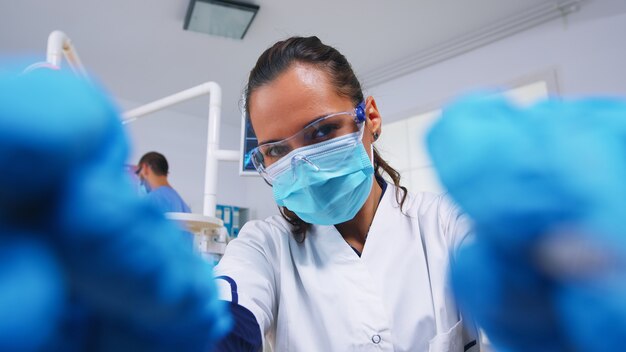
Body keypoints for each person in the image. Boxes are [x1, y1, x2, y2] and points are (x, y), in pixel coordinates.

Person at [213, 36, 479, 351]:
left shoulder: (447, 224)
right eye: (276, 150)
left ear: (371, 118)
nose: (303, 167)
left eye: (322, 131)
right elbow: (224, 321)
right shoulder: (264, 247)